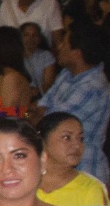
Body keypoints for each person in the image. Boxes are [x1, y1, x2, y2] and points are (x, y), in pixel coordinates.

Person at [36, 24, 110, 185]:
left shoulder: (93, 85)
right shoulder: (67, 75)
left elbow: (52, 122)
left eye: (64, 43)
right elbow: (42, 105)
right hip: (61, 164)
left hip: (86, 167)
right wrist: (38, 113)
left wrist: (38, 114)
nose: (59, 47)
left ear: (77, 53)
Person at [36, 112, 110, 206]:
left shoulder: (89, 188)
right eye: (66, 137)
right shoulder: (24, 182)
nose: (77, 145)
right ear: (42, 141)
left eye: (81, 139)